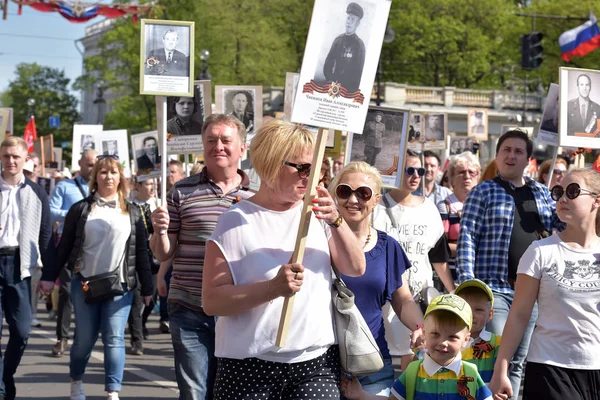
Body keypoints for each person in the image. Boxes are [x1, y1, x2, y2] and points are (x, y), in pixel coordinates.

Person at [201, 120, 365, 399]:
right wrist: (272, 289)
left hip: (315, 364)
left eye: (315, 168)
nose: (309, 176)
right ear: (270, 163)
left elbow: (356, 267)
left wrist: (337, 220)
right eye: (302, 168)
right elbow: (212, 301)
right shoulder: (235, 222)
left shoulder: (318, 215)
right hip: (248, 369)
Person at [150, 114, 254, 400]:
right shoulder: (181, 191)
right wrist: (159, 232)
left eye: (225, 140)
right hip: (189, 307)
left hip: (238, 312)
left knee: (228, 393)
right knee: (194, 392)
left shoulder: (259, 195)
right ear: (202, 146)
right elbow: (163, 253)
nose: (218, 146)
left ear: (242, 149)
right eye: (211, 140)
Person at [456, 129, 559, 399]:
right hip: (494, 290)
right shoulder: (483, 191)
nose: (511, 156)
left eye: (518, 151)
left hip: (532, 293)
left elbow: (560, 232)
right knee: (493, 355)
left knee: (516, 362)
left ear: (528, 160)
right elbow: (467, 236)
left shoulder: (543, 194)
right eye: (506, 150)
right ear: (498, 156)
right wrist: (468, 286)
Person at [490, 168, 600, 400]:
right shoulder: (540, 251)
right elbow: (519, 314)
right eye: (558, 192)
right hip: (550, 368)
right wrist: (502, 367)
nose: (562, 199)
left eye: (572, 191)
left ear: (596, 201)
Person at [56, 155, 153, 400]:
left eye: (113, 172)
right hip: (85, 284)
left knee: (114, 337)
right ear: (95, 177)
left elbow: (141, 251)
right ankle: (76, 381)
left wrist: (148, 287)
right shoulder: (80, 209)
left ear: (121, 177)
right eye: (103, 172)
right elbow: (65, 246)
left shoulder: (132, 211)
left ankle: (113, 391)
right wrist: (49, 277)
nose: (108, 177)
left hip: (121, 285)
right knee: (84, 340)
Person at [331, 162, 424, 396]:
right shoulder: (315, 240)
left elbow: (403, 300)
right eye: (344, 191)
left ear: (376, 200)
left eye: (363, 193)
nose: (353, 200)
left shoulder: (387, 246)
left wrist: (421, 327)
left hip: (370, 363)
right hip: (321, 363)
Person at [373, 150, 454, 370]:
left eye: (420, 170)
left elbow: (438, 257)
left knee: (414, 358)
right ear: (395, 171)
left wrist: (453, 290)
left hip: (419, 298)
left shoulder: (429, 208)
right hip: (385, 299)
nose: (416, 175)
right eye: (409, 170)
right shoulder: (376, 207)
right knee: (383, 360)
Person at [341, 294, 493, 400]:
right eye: (435, 334)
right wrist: (362, 395)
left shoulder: (470, 373)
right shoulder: (413, 372)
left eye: (452, 337)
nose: (443, 342)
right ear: (425, 333)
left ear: (465, 340)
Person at [0, 136, 55, 400]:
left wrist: (50, 275)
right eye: (6, 156)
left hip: (20, 267)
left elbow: (45, 235)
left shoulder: (36, 192)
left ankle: (4, 375)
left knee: (21, 332)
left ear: (25, 160)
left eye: (15, 157)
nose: (10, 161)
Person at [49, 149, 97, 357]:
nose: (92, 168)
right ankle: (62, 338)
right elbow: (51, 210)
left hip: (93, 247)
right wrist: (74, 213)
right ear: (80, 163)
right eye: (88, 164)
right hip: (69, 245)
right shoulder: (65, 186)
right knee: (67, 292)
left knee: (90, 293)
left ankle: (84, 336)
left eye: (95, 164)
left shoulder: (102, 188)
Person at [127, 177, 159, 355]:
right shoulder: (130, 206)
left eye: (154, 184)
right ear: (138, 186)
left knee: (151, 294)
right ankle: (136, 340)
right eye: (148, 184)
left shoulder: (159, 203)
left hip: (154, 257)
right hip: (137, 256)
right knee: (136, 298)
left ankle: (143, 322)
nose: (152, 188)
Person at [438, 152, 480, 282]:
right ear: (452, 178)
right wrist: (475, 248)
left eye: (472, 172)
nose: (467, 176)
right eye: (461, 172)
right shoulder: (445, 206)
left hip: (480, 274)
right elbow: (440, 248)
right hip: (453, 275)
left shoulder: (484, 206)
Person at [455, 279, 500, 383]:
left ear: (490, 315)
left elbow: (502, 376)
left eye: (478, 309)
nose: (471, 314)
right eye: (465, 308)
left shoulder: (497, 343)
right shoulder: (448, 341)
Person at [322, 2, 366, 93]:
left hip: (349, 88)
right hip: (333, 84)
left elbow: (360, 71)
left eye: (353, 20)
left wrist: (351, 89)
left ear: (358, 23)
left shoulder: (359, 45)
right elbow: (328, 63)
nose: (349, 22)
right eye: (348, 18)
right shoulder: (338, 40)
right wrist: (330, 79)